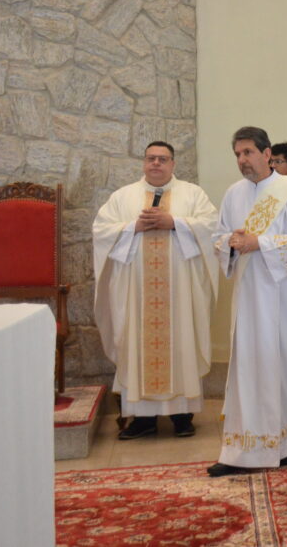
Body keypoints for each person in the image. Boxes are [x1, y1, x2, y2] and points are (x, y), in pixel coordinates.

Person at [207, 126, 287, 477]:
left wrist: (260, 243)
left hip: (285, 295)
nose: (242, 160)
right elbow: (219, 237)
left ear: (266, 153)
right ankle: (243, 447)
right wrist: (231, 241)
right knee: (249, 366)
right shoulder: (233, 194)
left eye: (247, 153)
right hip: (249, 295)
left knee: (285, 365)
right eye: (237, 155)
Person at [93, 141, 218, 440]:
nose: (156, 164)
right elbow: (100, 231)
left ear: (173, 164)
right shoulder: (123, 197)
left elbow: (212, 227)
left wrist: (174, 222)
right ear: (143, 163)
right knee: (136, 344)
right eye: (151, 159)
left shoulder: (193, 194)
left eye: (163, 159)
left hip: (180, 293)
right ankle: (142, 419)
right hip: (136, 294)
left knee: (180, 342)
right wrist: (133, 227)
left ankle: (182, 415)